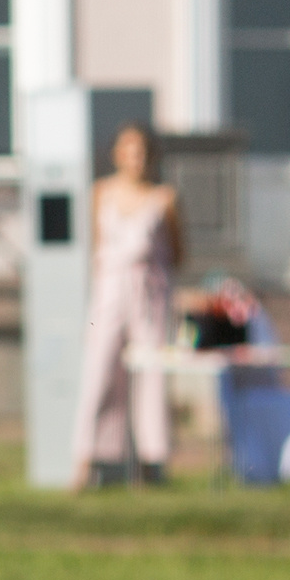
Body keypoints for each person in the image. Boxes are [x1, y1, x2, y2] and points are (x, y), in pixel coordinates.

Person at [69, 122, 181, 489]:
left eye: (142, 151)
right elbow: (97, 247)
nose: (136, 159)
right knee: (100, 371)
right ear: (117, 154)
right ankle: (91, 458)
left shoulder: (164, 198)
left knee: (151, 375)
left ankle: (151, 462)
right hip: (110, 292)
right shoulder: (100, 193)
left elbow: (178, 252)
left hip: (150, 294)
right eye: (129, 150)